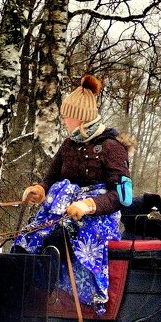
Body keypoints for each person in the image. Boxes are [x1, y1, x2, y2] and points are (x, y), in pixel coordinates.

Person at [21, 74, 134, 220]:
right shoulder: (68, 144)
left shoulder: (111, 147)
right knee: (31, 240)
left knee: (61, 240)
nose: (64, 121)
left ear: (80, 118)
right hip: (63, 214)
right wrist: (40, 190)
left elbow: (123, 196)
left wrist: (87, 205)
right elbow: (51, 178)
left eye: (67, 116)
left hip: (97, 221)